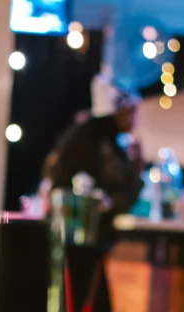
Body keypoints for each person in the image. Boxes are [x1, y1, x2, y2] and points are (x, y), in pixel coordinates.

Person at [44, 74, 144, 245]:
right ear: (118, 110)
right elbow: (122, 194)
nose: (135, 120)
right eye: (131, 112)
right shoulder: (101, 144)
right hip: (83, 238)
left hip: (71, 236)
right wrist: (136, 168)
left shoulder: (86, 136)